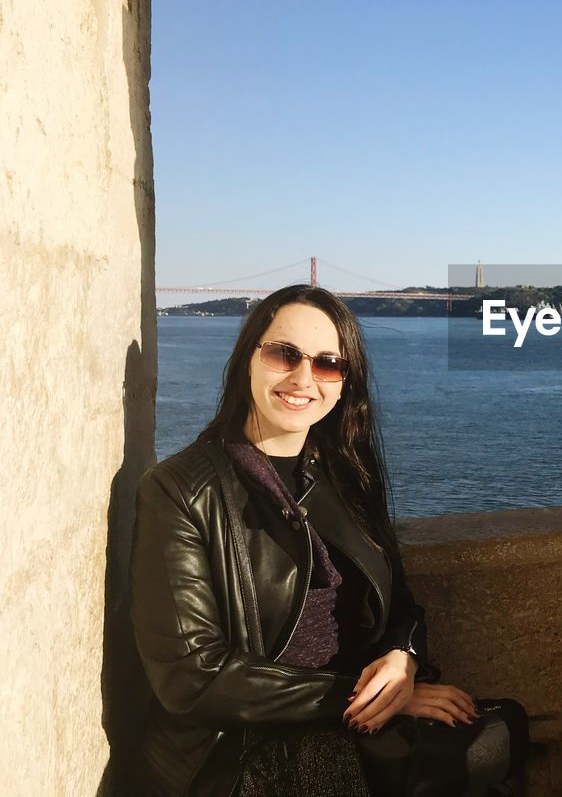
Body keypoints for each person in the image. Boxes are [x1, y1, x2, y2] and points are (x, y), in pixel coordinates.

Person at [129, 285, 528, 797]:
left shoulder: (345, 474)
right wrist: (373, 701)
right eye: (283, 354)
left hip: (353, 713)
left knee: (504, 731)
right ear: (248, 358)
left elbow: (400, 601)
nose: (302, 378)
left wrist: (402, 658)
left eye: (327, 364)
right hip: (245, 742)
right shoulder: (180, 490)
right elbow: (193, 678)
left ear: (344, 384)